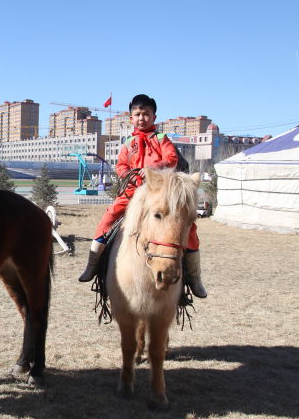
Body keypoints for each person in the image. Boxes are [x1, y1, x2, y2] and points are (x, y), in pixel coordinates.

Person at [78, 94, 207, 298]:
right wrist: (126, 174)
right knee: (109, 216)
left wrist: (151, 169)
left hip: (160, 191)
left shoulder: (162, 139)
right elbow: (121, 165)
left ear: (154, 117)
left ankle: (194, 277)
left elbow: (171, 158)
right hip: (132, 191)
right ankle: (92, 265)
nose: (141, 118)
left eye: (146, 114)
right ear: (131, 118)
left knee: (188, 228)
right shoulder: (128, 143)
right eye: (137, 114)